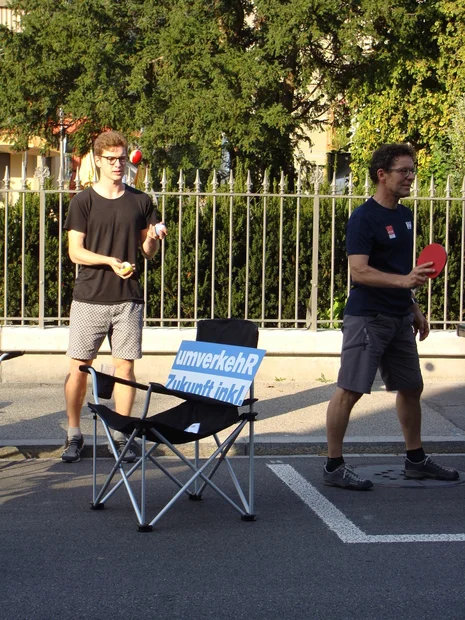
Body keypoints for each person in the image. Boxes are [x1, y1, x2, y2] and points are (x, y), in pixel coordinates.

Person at [323, 142, 459, 489]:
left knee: (412, 387)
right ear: (382, 175)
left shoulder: (404, 216)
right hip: (368, 318)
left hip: (399, 317)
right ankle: (334, 465)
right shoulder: (363, 217)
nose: (410, 176)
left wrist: (412, 306)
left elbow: (400, 268)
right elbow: (360, 271)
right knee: (350, 390)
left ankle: (416, 460)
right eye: (404, 170)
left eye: (412, 170)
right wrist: (405, 281)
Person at [62, 130, 167, 463]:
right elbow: (75, 252)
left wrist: (153, 237)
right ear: (98, 161)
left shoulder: (140, 201)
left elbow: (147, 251)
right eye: (112, 159)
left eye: (123, 158)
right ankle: (73, 433)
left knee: (125, 369)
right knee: (80, 368)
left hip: (128, 299)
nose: (119, 165)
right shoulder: (83, 201)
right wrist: (109, 260)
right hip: (90, 296)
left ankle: (120, 436)